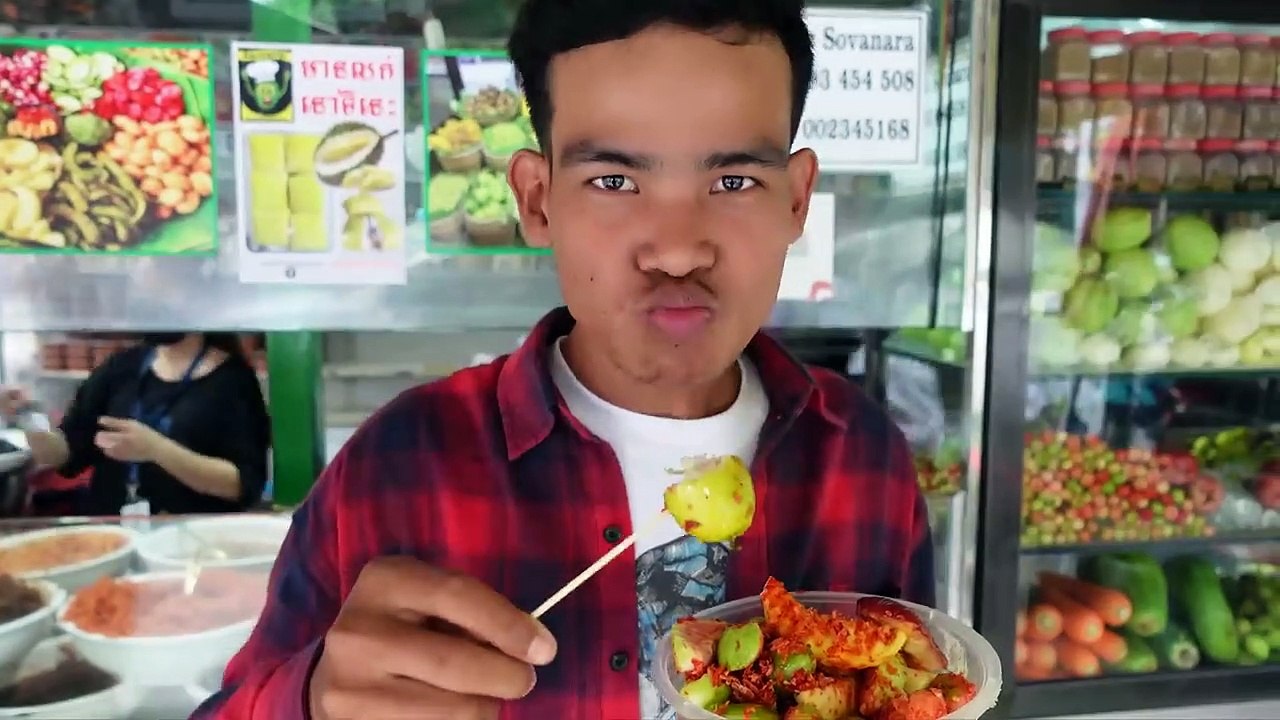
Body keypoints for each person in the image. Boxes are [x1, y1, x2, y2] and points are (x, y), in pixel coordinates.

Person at [198, 2, 934, 719]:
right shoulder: (395, 467)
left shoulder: (863, 460)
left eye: (733, 182)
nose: (677, 250)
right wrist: (313, 701)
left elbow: (925, 687)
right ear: (538, 199)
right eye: (613, 182)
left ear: (797, 201)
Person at [0, 332, 270, 516]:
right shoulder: (121, 368)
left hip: (193, 543)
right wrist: (26, 416)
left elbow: (242, 485)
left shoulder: (233, 382)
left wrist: (157, 449)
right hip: (114, 534)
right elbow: (65, 455)